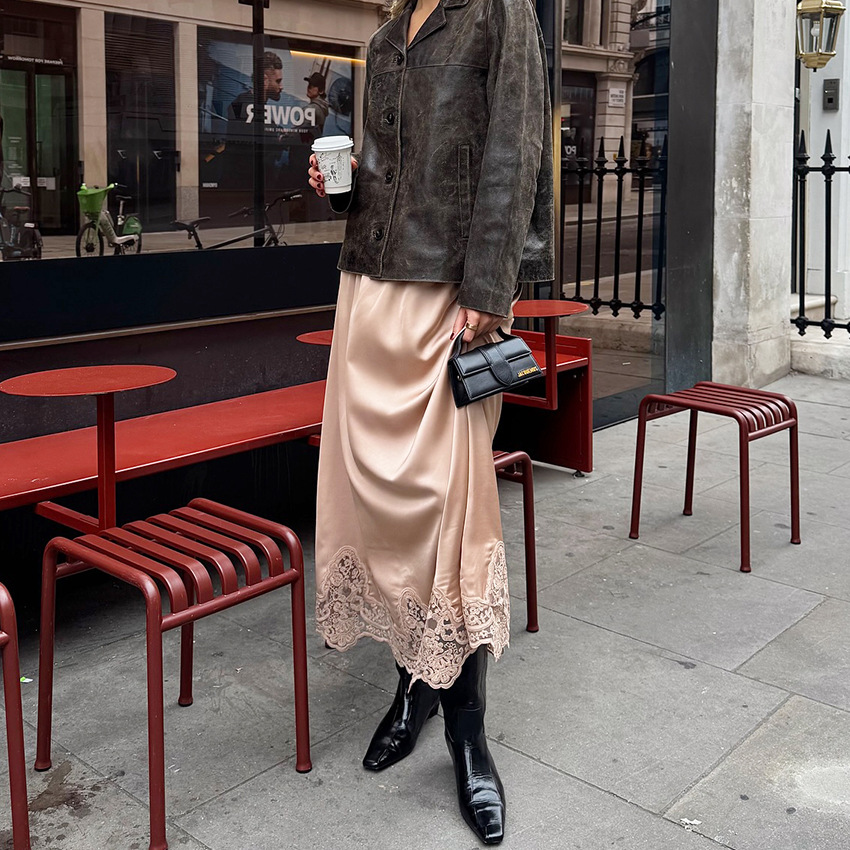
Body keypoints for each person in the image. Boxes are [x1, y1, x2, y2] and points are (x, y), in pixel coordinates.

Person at [307, 0, 553, 844]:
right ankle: (413, 686)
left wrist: (490, 287)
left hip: (450, 299)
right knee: (379, 510)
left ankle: (467, 735)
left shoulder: (497, 13)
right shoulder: (384, 36)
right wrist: (343, 186)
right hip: (367, 294)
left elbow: (516, 148)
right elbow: (390, 163)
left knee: (450, 510)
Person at [304, 71, 330, 137]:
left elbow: (298, 133)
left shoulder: (311, 109)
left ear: (321, 91)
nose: (309, 87)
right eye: (309, 83)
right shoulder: (323, 108)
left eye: (314, 85)